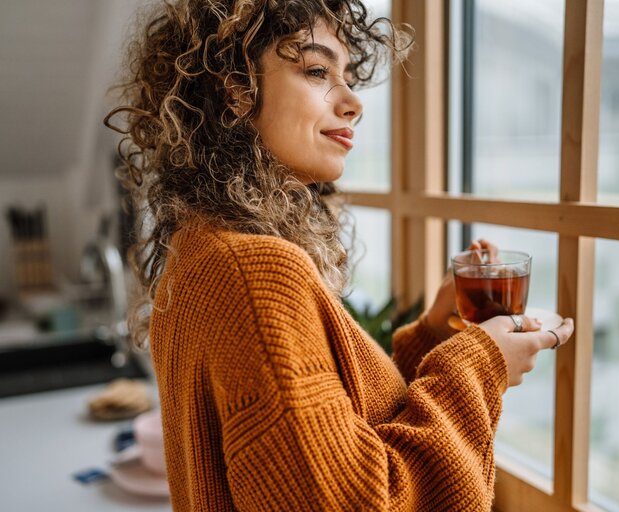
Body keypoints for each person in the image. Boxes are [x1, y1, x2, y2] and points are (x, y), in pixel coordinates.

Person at [106, 0, 574, 510]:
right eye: (315, 70)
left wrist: (436, 336)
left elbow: (326, 437)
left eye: (347, 76)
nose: (354, 101)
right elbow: (357, 500)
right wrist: (481, 364)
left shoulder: (204, 248)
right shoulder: (254, 274)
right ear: (237, 91)